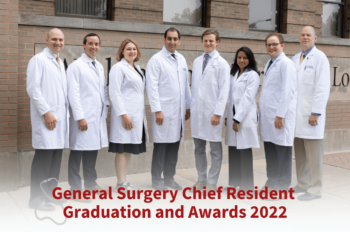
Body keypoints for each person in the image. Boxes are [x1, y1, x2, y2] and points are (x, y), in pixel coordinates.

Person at [26, 28, 68, 211]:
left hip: (59, 121)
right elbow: (33, 90)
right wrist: (46, 112)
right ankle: (36, 199)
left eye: (60, 40)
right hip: (47, 119)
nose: (58, 43)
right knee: (43, 160)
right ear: (46, 40)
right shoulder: (38, 60)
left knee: (55, 160)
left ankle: (51, 193)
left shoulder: (60, 62)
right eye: (54, 39)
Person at [146, 27, 191, 191]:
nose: (172, 42)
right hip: (163, 113)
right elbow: (152, 88)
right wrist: (157, 110)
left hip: (178, 112)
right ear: (164, 40)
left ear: (179, 41)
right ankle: (157, 180)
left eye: (175, 39)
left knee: (174, 145)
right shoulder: (156, 60)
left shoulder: (181, 59)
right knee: (161, 146)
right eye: (169, 38)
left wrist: (188, 106)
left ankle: (170, 178)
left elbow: (185, 85)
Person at [67, 33, 109, 201]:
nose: (94, 47)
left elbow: (103, 91)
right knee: (77, 153)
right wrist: (80, 117)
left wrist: (104, 112)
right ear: (83, 45)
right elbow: (73, 94)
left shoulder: (98, 66)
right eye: (90, 43)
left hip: (96, 118)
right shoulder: (76, 66)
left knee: (92, 151)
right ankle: (75, 189)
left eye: (96, 44)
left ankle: (91, 183)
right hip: (83, 118)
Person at [291, 26, 330, 201]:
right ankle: (302, 183)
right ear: (299, 38)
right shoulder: (294, 58)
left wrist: (316, 112)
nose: (305, 37)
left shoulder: (320, 58)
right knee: (299, 153)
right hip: (296, 116)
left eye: (309, 35)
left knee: (313, 155)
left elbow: (322, 88)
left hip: (311, 115)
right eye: (302, 35)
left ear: (315, 38)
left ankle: (315, 189)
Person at [190, 29, 230, 191]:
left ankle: (212, 181)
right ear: (202, 42)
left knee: (214, 150)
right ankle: (201, 178)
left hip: (213, 113)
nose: (208, 43)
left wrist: (218, 113)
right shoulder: (197, 61)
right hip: (198, 111)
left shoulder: (222, 63)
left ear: (217, 42)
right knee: (199, 148)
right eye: (205, 40)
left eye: (211, 41)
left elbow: (224, 90)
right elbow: (194, 87)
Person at [109, 39, 149, 191]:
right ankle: (120, 183)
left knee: (128, 148)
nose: (132, 51)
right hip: (125, 115)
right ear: (122, 51)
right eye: (128, 49)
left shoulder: (136, 68)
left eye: (134, 49)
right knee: (122, 149)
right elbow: (115, 93)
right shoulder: (118, 68)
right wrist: (124, 115)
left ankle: (124, 181)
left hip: (136, 115)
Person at [259, 33, 297, 193]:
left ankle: (281, 187)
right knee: (270, 150)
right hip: (269, 117)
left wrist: (280, 115)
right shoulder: (270, 62)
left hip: (279, 117)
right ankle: (272, 181)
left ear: (282, 45)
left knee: (282, 151)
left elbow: (288, 91)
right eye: (268, 44)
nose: (271, 47)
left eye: (274, 44)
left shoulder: (286, 64)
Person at [225, 47, 260, 191]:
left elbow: (247, 98)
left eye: (245, 58)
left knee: (244, 151)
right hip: (232, 116)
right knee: (233, 150)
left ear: (250, 59)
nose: (241, 60)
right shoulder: (233, 73)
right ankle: (235, 184)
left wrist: (237, 119)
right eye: (239, 57)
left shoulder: (253, 75)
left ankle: (247, 188)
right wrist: (230, 118)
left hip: (244, 118)